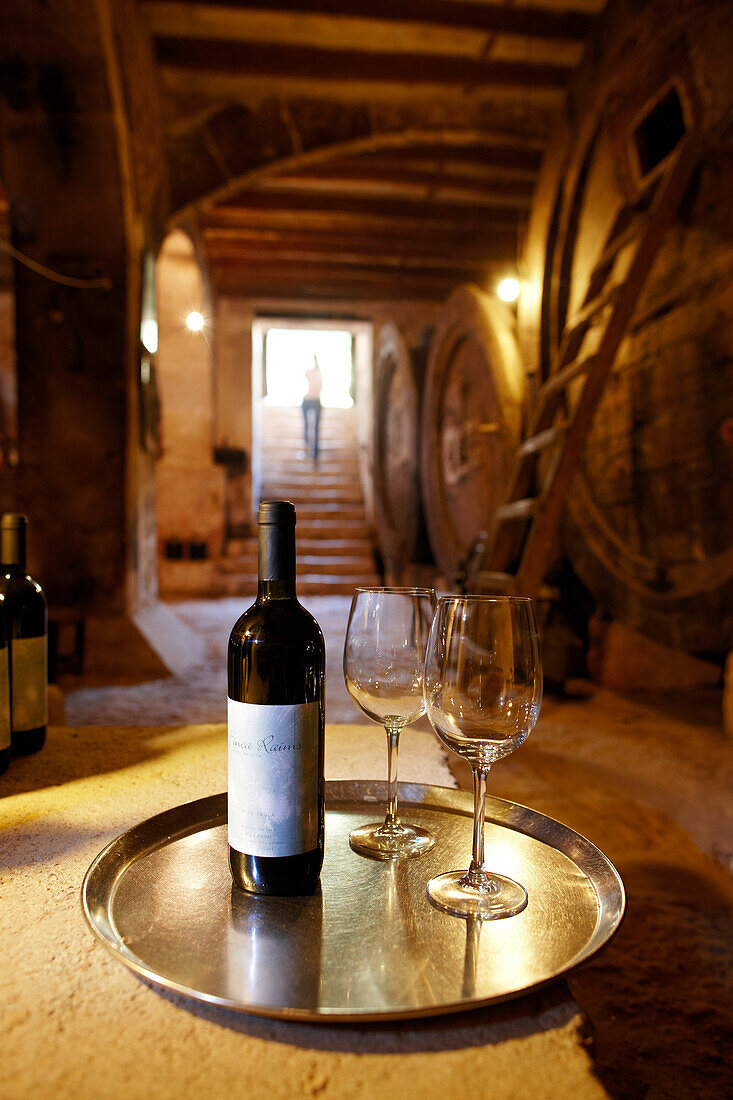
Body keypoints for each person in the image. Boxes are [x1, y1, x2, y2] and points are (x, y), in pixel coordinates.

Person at [302, 356, 323, 461]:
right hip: (311, 399)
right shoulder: (312, 373)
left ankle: (313, 452)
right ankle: (307, 448)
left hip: (313, 400)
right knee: (307, 425)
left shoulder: (316, 374)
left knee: (313, 428)